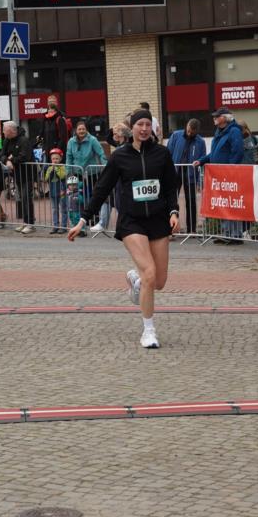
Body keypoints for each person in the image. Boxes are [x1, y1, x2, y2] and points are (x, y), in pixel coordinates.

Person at [68, 108, 180, 349]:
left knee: (158, 282)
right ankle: (148, 331)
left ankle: (136, 280)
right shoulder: (120, 157)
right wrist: (83, 220)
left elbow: (171, 187)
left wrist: (174, 212)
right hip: (132, 222)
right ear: (132, 128)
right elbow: (102, 189)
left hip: (159, 221)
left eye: (147, 124)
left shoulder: (162, 154)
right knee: (150, 273)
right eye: (140, 124)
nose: (144, 128)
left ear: (152, 128)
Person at [193, 107, 245, 243]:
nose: (214, 118)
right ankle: (226, 233)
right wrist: (202, 160)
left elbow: (238, 152)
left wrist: (229, 168)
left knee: (231, 203)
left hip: (229, 175)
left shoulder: (234, 131)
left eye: (217, 116)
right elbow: (215, 153)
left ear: (225, 118)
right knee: (223, 203)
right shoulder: (219, 132)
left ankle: (235, 235)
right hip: (220, 175)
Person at [167, 118, 206, 235]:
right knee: (172, 200)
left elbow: (201, 160)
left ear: (197, 132)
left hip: (190, 174)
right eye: (188, 131)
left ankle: (191, 229)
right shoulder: (176, 136)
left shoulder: (200, 142)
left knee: (191, 201)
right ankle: (172, 228)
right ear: (186, 126)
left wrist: (199, 181)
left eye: (192, 133)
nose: (189, 134)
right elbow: (168, 153)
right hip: (175, 172)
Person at [91, 122, 132, 232]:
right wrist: (114, 128)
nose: (113, 135)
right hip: (117, 181)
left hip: (123, 181)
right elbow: (108, 138)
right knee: (109, 199)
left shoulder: (125, 147)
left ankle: (124, 224)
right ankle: (103, 223)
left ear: (121, 135)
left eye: (115, 133)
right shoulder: (119, 146)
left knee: (121, 203)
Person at [65, 119, 106, 217]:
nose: (81, 131)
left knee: (93, 196)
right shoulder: (71, 141)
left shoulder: (92, 140)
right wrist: (68, 171)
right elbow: (69, 157)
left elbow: (101, 153)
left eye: (83, 129)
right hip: (77, 173)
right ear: (76, 130)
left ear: (86, 130)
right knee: (78, 196)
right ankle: (81, 218)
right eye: (79, 129)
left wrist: (105, 165)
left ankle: (95, 217)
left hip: (92, 173)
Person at [1, 120, 35, 234]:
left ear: (11, 130)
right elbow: (2, 154)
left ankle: (30, 224)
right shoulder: (7, 140)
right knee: (21, 198)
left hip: (27, 174)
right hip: (16, 174)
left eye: (4, 130)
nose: (3, 132)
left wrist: (11, 159)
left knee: (26, 198)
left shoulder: (23, 140)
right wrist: (7, 160)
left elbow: (24, 156)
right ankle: (25, 222)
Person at [44, 147, 68, 233]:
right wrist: (51, 171)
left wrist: (57, 169)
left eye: (57, 159)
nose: (55, 160)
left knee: (63, 209)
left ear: (60, 159)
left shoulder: (62, 167)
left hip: (61, 192)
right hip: (53, 191)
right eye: (53, 158)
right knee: (54, 209)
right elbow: (46, 178)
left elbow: (62, 176)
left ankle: (64, 226)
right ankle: (55, 225)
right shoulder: (50, 168)